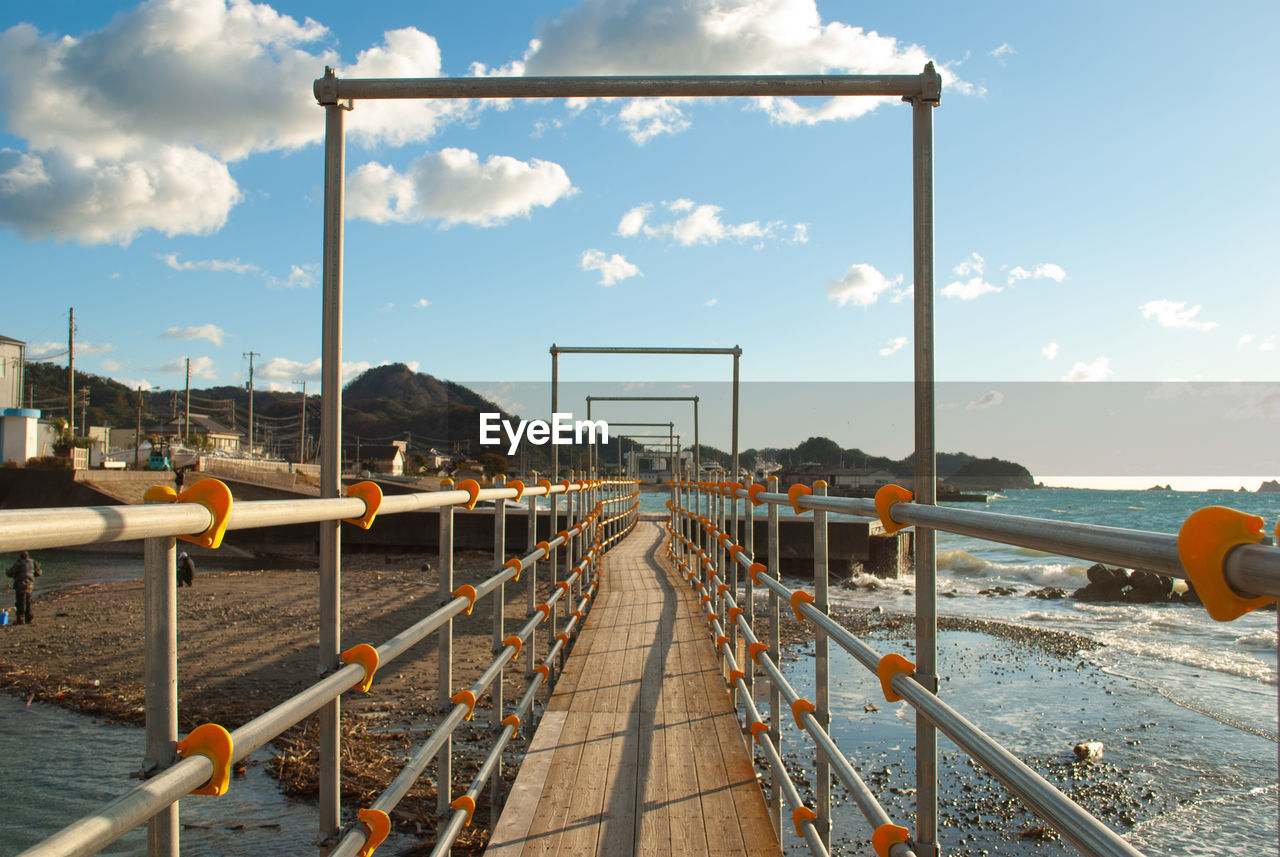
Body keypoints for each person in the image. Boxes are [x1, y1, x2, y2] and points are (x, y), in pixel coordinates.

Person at [6, 551, 42, 625]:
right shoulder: (33, 562)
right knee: (28, 601)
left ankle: (20, 619)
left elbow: (11, 573)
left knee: (20, 602)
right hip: (30, 585)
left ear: (21, 557)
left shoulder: (19, 563)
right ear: (28, 556)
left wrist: (7, 571)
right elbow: (38, 573)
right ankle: (29, 618)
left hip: (20, 585)